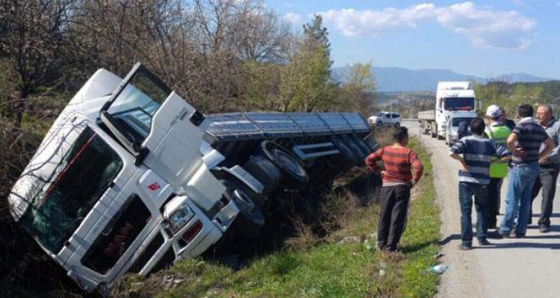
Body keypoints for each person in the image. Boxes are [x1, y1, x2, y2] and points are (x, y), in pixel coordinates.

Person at [450, 117, 508, 250]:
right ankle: (482, 238)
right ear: (483, 129)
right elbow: (506, 155)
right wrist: (492, 163)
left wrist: (462, 161)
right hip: (483, 182)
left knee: (466, 212)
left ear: (470, 129)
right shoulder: (489, 143)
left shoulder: (465, 140)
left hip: (466, 181)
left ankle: (466, 242)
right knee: (481, 210)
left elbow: (451, 152)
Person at [499, 104, 554, 238]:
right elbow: (551, 145)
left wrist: (514, 150)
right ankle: (521, 230)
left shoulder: (521, 126)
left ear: (519, 114)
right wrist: (539, 156)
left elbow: (510, 140)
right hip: (533, 166)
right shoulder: (538, 127)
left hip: (520, 166)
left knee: (512, 200)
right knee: (525, 200)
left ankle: (505, 229)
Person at [365, 126, 423, 253]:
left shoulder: (385, 150)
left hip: (387, 188)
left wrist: (378, 171)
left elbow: (369, 159)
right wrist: (414, 181)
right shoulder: (408, 153)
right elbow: (418, 167)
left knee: (384, 215)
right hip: (402, 188)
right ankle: (391, 247)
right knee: (397, 217)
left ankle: (381, 244)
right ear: (404, 138)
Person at [529, 104, 560, 233]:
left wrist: (547, 156)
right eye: (537, 113)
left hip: (550, 166)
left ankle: (544, 222)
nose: (538, 115)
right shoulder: (536, 125)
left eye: (541, 113)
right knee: (528, 193)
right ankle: (525, 217)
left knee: (547, 195)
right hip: (534, 165)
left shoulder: (557, 126)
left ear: (548, 114)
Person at [484, 105, 511, 230]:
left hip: (489, 167)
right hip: (502, 166)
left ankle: (488, 220)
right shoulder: (507, 130)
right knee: (496, 193)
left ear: (488, 117)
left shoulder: (488, 131)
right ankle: (493, 219)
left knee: (487, 195)